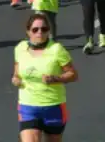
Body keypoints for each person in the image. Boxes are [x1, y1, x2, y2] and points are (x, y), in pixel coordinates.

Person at [13, 13, 78, 141]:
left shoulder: (57, 49)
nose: (39, 33)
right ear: (28, 32)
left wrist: (55, 79)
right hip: (28, 105)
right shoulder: (20, 48)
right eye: (35, 30)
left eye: (44, 29)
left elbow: (73, 75)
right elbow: (16, 70)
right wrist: (15, 78)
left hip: (53, 106)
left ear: (49, 31)